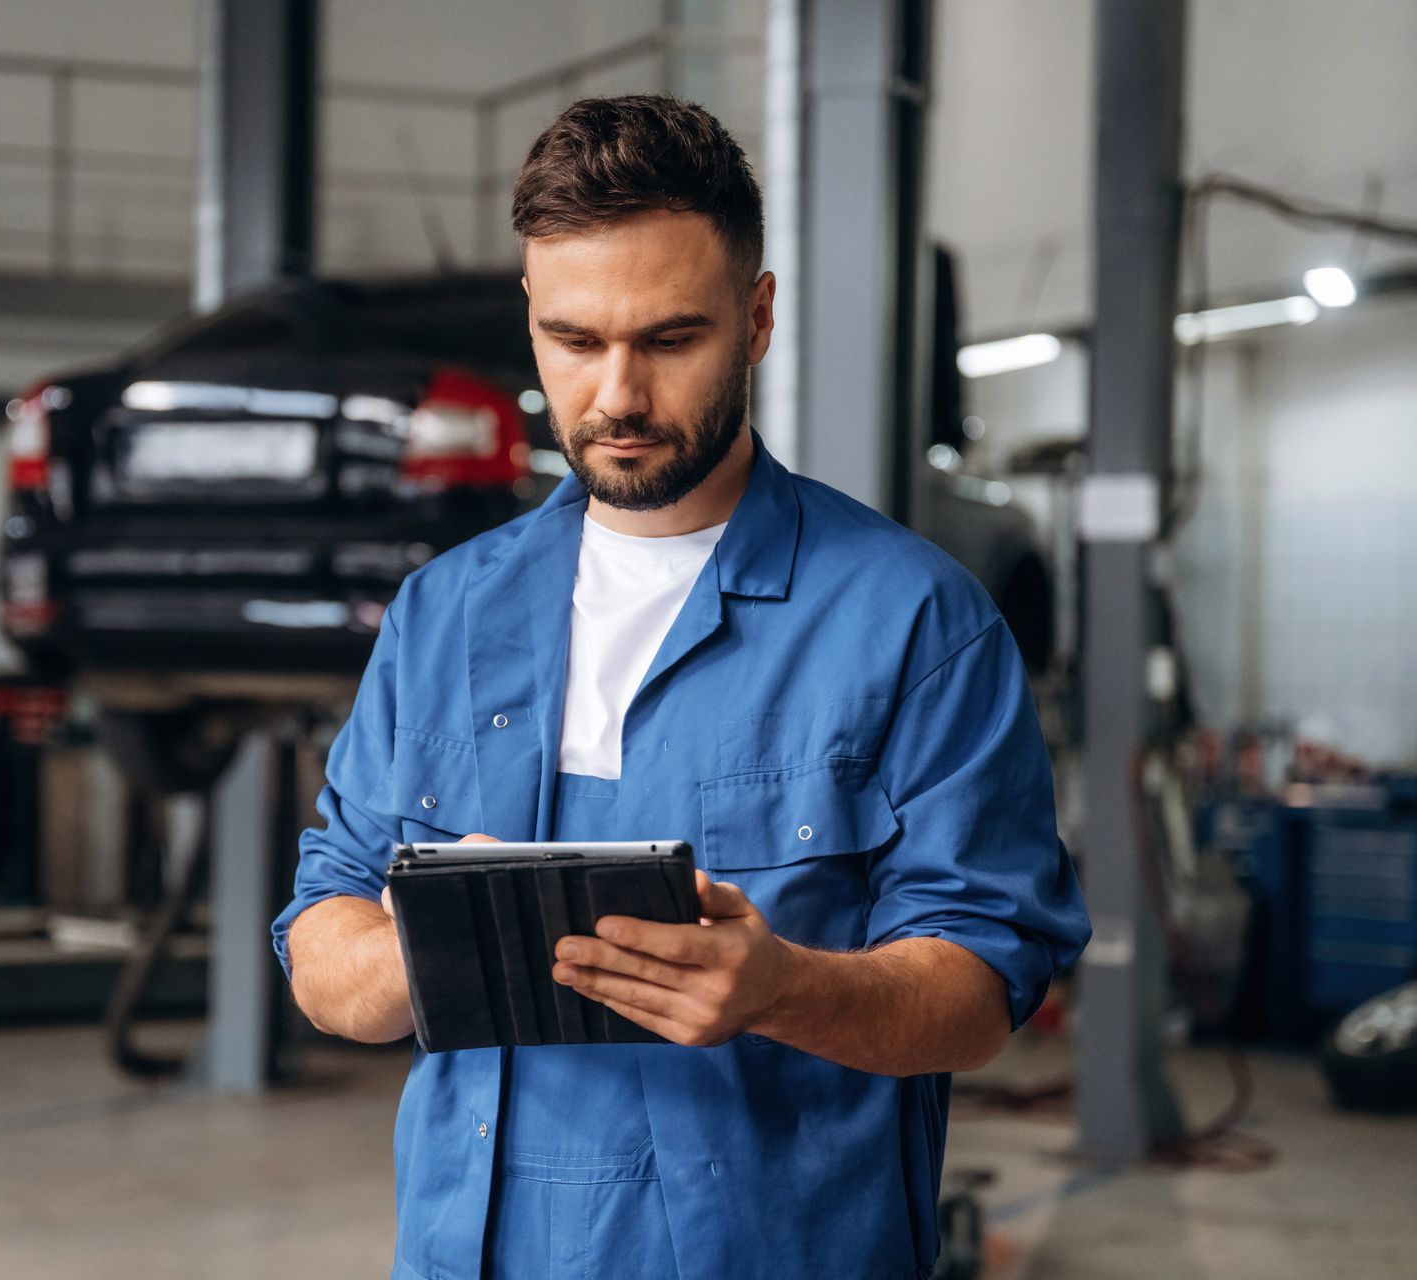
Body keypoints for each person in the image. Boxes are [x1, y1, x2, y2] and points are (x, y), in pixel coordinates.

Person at [275, 94, 1090, 1280]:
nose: (615, 396)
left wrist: (785, 988)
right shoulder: (442, 616)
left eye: (668, 340)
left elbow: (982, 979)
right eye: (573, 340)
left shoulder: (915, 622)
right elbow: (323, 933)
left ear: (756, 320)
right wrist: (436, 947)